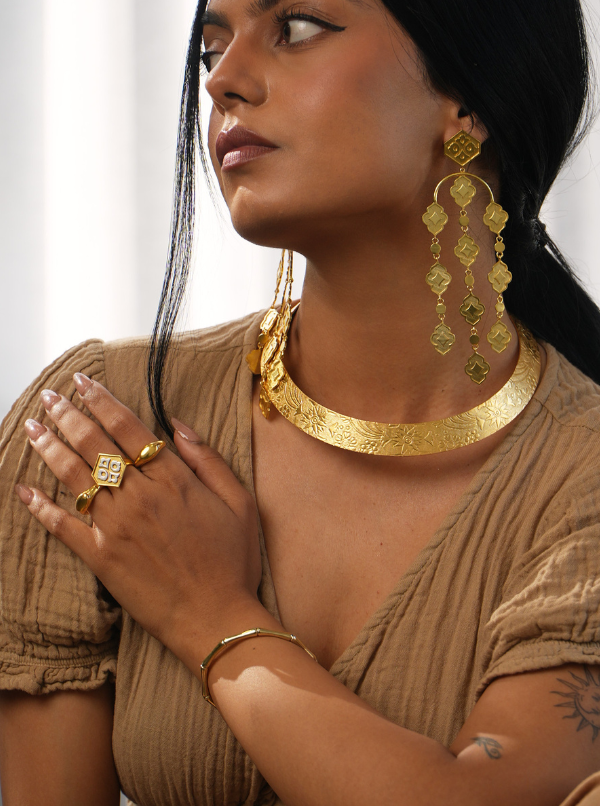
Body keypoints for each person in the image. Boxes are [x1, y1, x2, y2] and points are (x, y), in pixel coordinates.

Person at [1, 0, 600, 803]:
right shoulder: (101, 426)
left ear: (468, 98)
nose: (223, 80)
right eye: (212, 48)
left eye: (298, 27)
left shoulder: (581, 478)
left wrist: (208, 612)